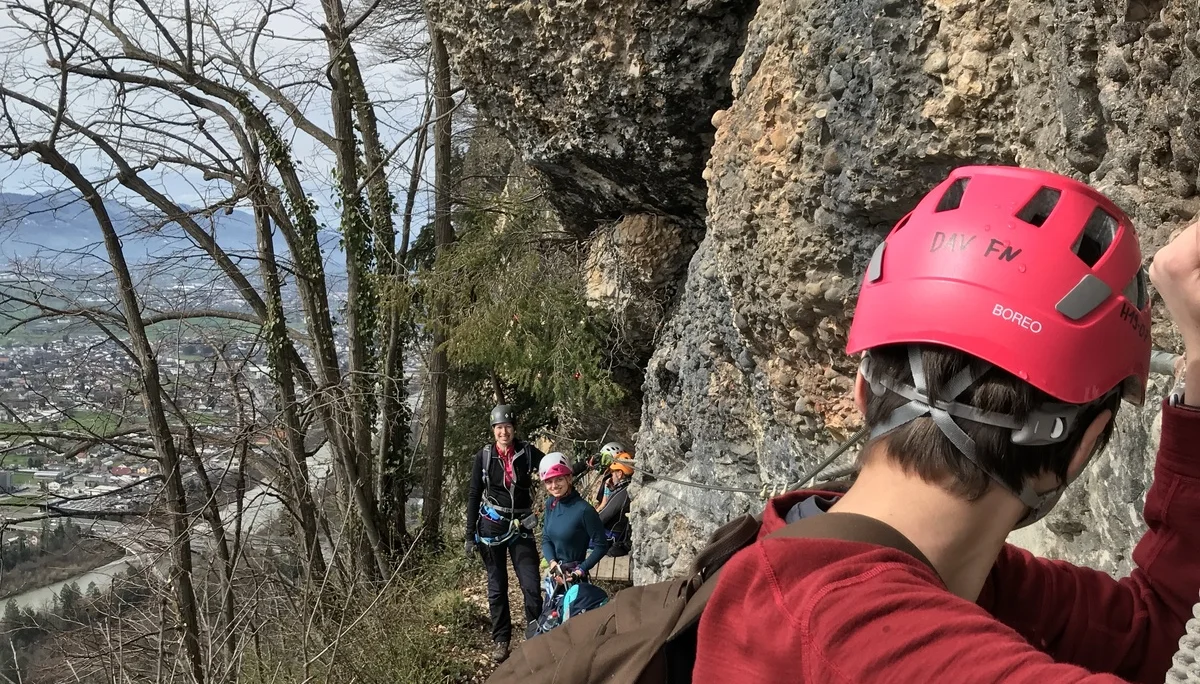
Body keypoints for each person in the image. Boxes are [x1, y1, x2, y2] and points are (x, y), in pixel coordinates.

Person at [692, 166, 1200, 682]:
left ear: (863, 390)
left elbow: (1153, 632)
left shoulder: (832, 578)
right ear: (1081, 447)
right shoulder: (869, 642)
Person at [464, 404, 545, 664]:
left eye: (507, 427)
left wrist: (584, 464)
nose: (504, 432)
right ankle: (501, 639)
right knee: (497, 588)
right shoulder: (485, 457)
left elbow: (554, 471)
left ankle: (535, 631)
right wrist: (469, 535)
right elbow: (475, 494)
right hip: (491, 525)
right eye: (499, 428)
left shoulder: (527, 453)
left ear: (514, 429)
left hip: (520, 525)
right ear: (493, 430)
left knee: (531, 584)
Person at [538, 452, 610, 581]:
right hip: (556, 575)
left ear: (569, 478)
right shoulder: (551, 504)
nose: (554, 486)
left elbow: (601, 545)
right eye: (549, 481)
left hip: (574, 578)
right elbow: (546, 538)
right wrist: (552, 563)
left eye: (559, 479)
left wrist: (581, 569)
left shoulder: (584, 510)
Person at [596, 457, 633, 557]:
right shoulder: (625, 489)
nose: (611, 475)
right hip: (614, 533)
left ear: (620, 474)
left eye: (613, 472)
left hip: (609, 535)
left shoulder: (622, 492)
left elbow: (603, 517)